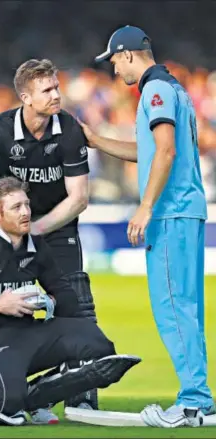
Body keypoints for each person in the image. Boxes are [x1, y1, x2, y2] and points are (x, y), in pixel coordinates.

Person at [79, 25, 215, 427]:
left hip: (170, 213)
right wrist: (98, 140)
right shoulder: (173, 88)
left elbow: (166, 151)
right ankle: (200, 398)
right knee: (186, 309)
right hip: (186, 211)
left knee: (173, 309)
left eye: (115, 60)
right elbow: (151, 150)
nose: (114, 69)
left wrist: (145, 207)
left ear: (128, 54)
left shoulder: (154, 90)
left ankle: (192, 401)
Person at [0, 58, 98, 421]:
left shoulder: (68, 129)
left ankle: (80, 394)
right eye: (47, 90)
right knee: (3, 308)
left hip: (58, 226)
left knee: (76, 306)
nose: (57, 95)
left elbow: (79, 197)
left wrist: (36, 229)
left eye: (57, 86)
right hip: (8, 229)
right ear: (25, 97)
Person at [0, 177, 141, 426]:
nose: (26, 212)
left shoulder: (36, 245)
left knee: (99, 348)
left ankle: (40, 395)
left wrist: (49, 301)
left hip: (29, 333)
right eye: (16, 207)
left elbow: (64, 294)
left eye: (27, 205)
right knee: (7, 408)